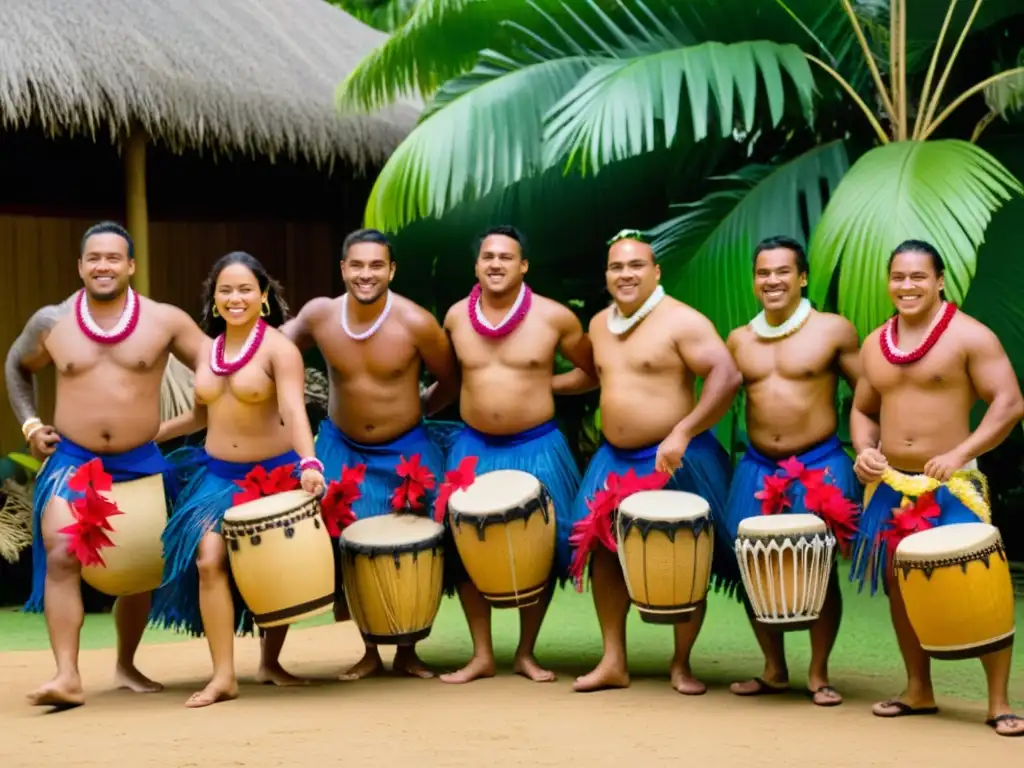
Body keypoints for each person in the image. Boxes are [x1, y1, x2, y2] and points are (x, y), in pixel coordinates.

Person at [4, 221, 207, 708]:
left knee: (138, 567)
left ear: (131, 266)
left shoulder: (165, 321)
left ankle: (126, 664)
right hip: (73, 460)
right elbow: (16, 365)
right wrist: (31, 426)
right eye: (94, 257)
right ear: (80, 265)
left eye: (113, 257)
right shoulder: (51, 322)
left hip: (142, 459)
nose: (103, 266)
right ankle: (67, 675)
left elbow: (219, 366)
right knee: (60, 555)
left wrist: (191, 421)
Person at [850, 239, 1024, 737]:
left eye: (918, 277)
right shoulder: (874, 343)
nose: (907, 286)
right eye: (898, 277)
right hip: (891, 484)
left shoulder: (970, 336)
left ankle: (998, 702)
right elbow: (863, 408)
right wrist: (865, 449)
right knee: (899, 584)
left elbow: (1008, 402)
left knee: (978, 583)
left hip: (952, 484)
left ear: (940, 280)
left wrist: (960, 452)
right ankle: (917, 689)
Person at [280, 228, 459, 680]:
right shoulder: (320, 315)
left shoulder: (417, 322)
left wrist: (414, 410)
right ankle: (368, 651)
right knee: (347, 547)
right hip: (342, 445)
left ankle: (408, 650)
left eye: (376, 265)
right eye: (356, 265)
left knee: (414, 547)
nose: (366, 274)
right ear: (342, 269)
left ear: (392, 269)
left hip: (407, 449)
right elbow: (271, 349)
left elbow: (452, 379)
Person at [569, 229, 742, 694]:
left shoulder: (682, 321)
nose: (625, 274)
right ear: (607, 275)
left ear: (655, 271)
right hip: (614, 459)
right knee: (602, 552)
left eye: (635, 265)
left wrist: (683, 432)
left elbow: (726, 375)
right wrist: (532, 386)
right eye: (616, 267)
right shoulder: (600, 324)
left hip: (675, 455)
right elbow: (596, 377)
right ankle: (613, 660)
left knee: (686, 552)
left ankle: (681, 663)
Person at [151, 252, 326, 708]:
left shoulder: (279, 349)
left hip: (270, 473)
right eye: (225, 290)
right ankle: (224, 676)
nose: (235, 298)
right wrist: (149, 434)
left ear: (264, 296)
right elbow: (199, 415)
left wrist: (309, 462)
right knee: (210, 560)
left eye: (245, 289)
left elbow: (292, 409)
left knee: (270, 567)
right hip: (215, 476)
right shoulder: (207, 351)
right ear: (213, 298)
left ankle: (270, 660)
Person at [436, 225, 596, 685]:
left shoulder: (555, 318)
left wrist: (542, 386)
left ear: (523, 265)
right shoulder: (454, 318)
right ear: (477, 266)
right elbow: (449, 380)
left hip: (537, 445)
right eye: (488, 256)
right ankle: (482, 654)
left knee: (539, 547)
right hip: (472, 446)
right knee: (464, 544)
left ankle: (526, 652)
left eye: (507, 257)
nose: (496, 264)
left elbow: (592, 371)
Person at [723, 236, 862, 706]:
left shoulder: (833, 331)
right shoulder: (739, 339)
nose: (772, 280)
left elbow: (869, 394)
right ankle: (774, 668)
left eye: (783, 271)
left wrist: (872, 451)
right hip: (758, 465)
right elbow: (719, 399)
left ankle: (819, 674)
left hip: (820, 462)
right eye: (763, 273)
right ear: (755, 281)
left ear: (802, 277)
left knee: (818, 565)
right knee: (751, 564)